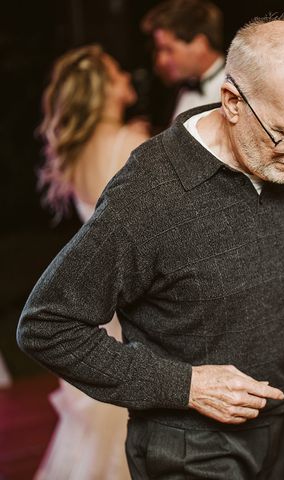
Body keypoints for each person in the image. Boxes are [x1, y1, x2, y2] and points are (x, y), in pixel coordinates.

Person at [18, 15, 284, 479]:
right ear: (233, 101)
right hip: (186, 444)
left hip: (281, 427)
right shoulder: (150, 193)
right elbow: (48, 325)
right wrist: (186, 385)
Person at [33, 44, 149, 479]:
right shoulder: (131, 145)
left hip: (97, 308)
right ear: (103, 90)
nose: (126, 77)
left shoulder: (78, 153)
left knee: (96, 437)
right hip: (132, 306)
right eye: (118, 72)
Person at [141, 0, 225, 118]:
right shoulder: (176, 88)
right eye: (158, 50)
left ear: (199, 44)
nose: (161, 60)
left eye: (168, 50)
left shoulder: (238, 89)